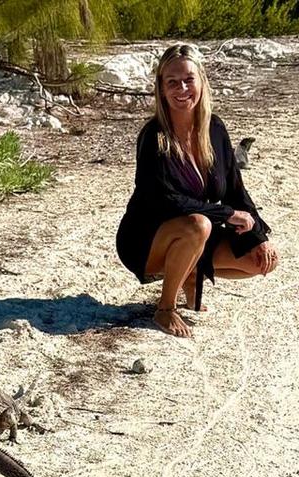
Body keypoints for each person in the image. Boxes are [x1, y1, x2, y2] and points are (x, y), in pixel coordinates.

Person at [115, 44, 279, 338]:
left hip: (195, 231)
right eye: (172, 82)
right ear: (161, 89)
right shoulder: (153, 137)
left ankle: (191, 272)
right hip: (146, 239)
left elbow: (235, 190)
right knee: (199, 225)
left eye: (189, 79)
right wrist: (226, 215)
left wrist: (259, 237)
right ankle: (165, 308)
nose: (182, 89)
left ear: (201, 81)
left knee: (260, 261)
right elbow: (164, 200)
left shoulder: (214, 128)